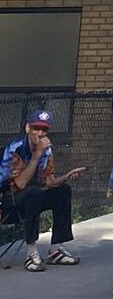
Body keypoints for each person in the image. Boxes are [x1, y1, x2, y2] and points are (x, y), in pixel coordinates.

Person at [0, 110, 84, 272]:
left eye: (44, 130)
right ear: (27, 128)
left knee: (63, 191)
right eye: (36, 128)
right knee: (33, 192)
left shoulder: (46, 151)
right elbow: (21, 184)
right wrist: (37, 155)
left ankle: (56, 249)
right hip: (8, 201)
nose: (40, 133)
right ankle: (31, 253)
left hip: (32, 198)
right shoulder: (14, 149)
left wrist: (66, 176)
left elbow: (50, 182)